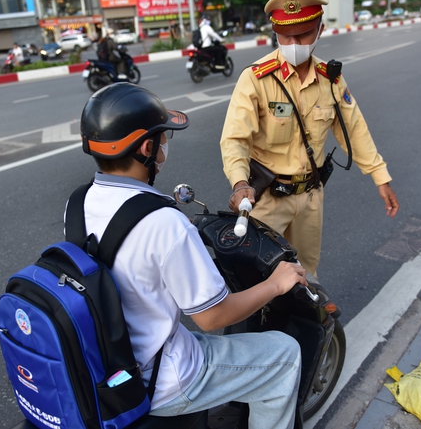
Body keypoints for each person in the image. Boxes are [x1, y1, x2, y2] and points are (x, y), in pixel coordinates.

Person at [74, 82, 308, 428]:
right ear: (146, 147)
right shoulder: (164, 221)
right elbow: (213, 317)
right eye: (163, 139)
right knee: (285, 355)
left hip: (111, 359)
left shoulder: (78, 202)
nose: (165, 147)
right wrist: (275, 284)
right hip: (161, 379)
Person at [220, 0, 399, 276]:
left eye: (302, 35)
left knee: (306, 274)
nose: (293, 43)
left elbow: (353, 129)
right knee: (255, 276)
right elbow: (235, 139)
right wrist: (240, 182)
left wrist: (380, 177)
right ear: (275, 32)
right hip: (266, 198)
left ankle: (302, 321)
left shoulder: (331, 79)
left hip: (310, 197)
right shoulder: (255, 79)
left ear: (320, 31)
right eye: (285, 35)